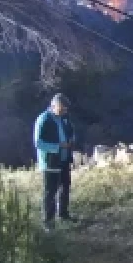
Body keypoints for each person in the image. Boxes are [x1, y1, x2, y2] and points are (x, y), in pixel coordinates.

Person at [34, 93, 77, 229]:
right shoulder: (44, 119)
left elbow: (70, 131)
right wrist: (58, 146)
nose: (64, 112)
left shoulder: (64, 118)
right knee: (50, 191)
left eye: (65, 110)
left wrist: (71, 140)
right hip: (51, 161)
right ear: (54, 105)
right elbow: (38, 142)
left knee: (65, 187)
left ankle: (63, 214)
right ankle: (48, 221)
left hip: (64, 159)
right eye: (61, 109)